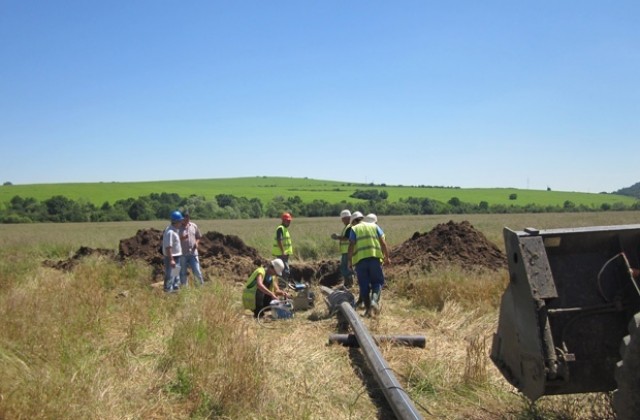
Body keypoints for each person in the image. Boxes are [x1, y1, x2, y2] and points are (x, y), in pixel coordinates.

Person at [348, 211, 390, 317]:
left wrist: (349, 261)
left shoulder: (354, 229)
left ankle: (368, 310)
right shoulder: (374, 226)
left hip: (360, 261)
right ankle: (374, 302)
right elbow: (383, 242)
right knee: (377, 283)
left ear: (353, 222)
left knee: (364, 285)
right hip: (375, 259)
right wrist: (387, 257)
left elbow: (351, 246)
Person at [179, 211, 204, 287]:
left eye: (187, 218)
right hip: (182, 254)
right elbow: (174, 241)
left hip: (193, 253)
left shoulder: (193, 226)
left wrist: (197, 242)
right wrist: (181, 238)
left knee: (197, 271)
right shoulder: (178, 227)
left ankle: (200, 288)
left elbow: (198, 236)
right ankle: (185, 289)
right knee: (183, 273)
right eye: (184, 219)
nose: (186, 220)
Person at [331, 209, 354, 288]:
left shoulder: (349, 227)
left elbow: (346, 238)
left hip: (348, 251)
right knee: (345, 268)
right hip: (346, 251)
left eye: (343, 218)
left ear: (347, 218)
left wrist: (337, 237)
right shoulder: (347, 227)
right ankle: (348, 284)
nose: (342, 220)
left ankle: (349, 284)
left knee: (346, 268)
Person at [163, 210, 184, 292]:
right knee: (170, 275)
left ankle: (175, 288)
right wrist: (171, 259)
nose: (182, 223)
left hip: (177, 257)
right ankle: (168, 291)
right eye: (180, 221)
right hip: (172, 257)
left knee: (175, 274)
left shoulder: (175, 230)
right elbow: (168, 247)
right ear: (176, 221)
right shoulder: (170, 232)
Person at [272, 212, 293, 280]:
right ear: (283, 220)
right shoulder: (280, 228)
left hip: (284, 253)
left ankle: (282, 284)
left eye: (290, 221)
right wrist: (283, 251)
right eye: (288, 221)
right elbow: (279, 240)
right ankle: (282, 285)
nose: (289, 222)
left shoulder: (284, 229)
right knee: (285, 270)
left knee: (283, 269)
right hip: (281, 253)